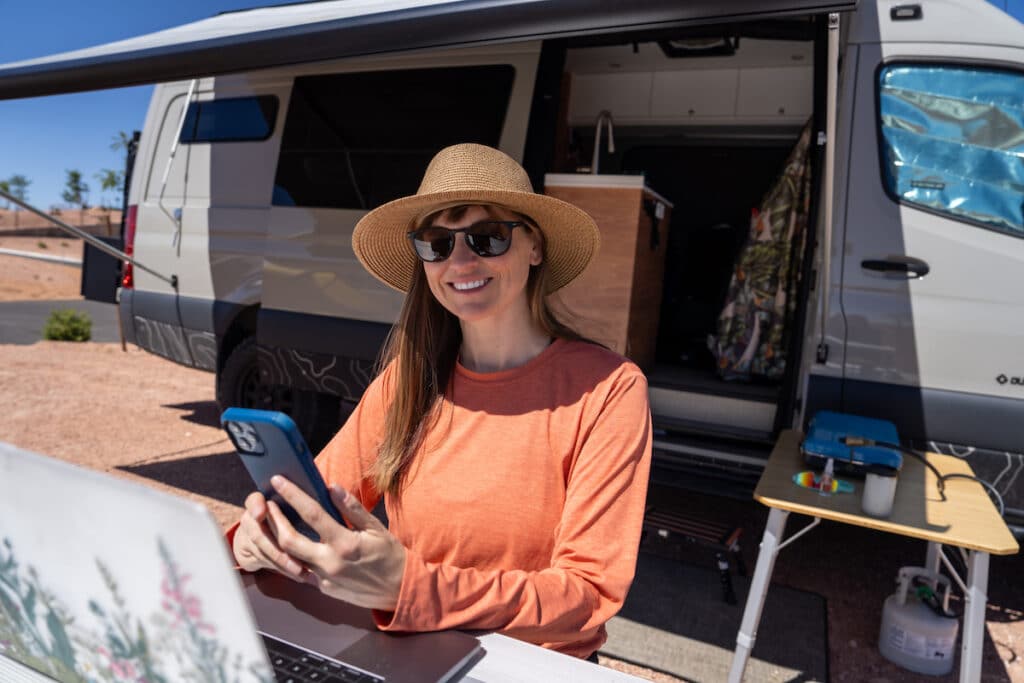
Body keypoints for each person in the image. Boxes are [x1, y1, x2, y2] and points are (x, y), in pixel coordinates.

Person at [229, 143, 653, 660]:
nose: (461, 260)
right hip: (413, 652)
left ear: (535, 247)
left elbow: (587, 594)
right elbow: (318, 501)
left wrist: (410, 588)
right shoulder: (405, 383)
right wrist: (259, 536)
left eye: (488, 237)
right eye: (436, 243)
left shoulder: (608, 388)